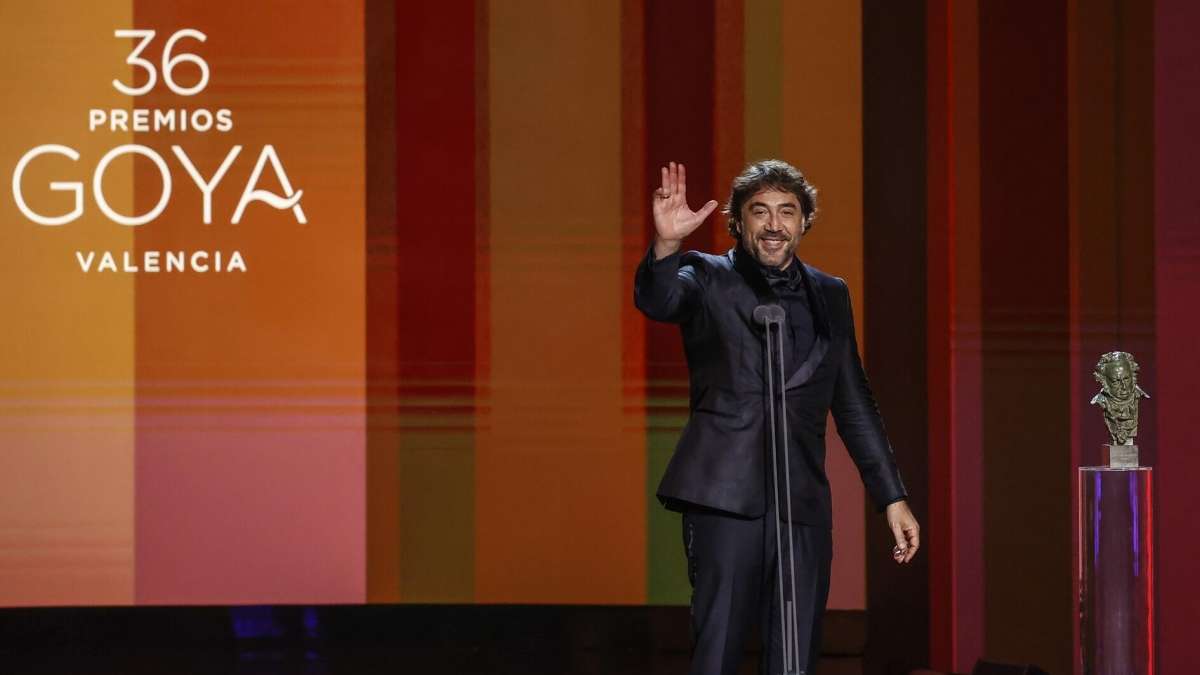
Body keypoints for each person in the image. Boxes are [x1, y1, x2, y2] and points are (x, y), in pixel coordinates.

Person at [634, 160, 920, 675]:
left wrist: (891, 496)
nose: (773, 224)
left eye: (787, 212)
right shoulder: (707, 275)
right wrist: (666, 246)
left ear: (804, 221)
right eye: (759, 211)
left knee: (795, 655)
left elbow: (853, 401)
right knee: (717, 650)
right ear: (738, 222)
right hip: (724, 497)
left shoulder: (831, 294)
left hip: (800, 499)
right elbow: (660, 300)